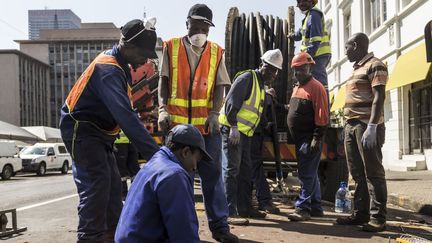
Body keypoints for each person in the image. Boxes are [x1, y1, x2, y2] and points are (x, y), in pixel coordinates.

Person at [59, 19, 160, 242]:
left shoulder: (120, 66)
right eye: (143, 54)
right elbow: (125, 116)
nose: (145, 60)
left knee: (114, 187)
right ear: (128, 46)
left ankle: (113, 235)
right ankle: (89, 238)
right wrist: (157, 155)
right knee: (97, 187)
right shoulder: (108, 69)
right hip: (82, 131)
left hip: (99, 134)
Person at [157, 4, 238, 242]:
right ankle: (178, 230)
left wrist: (215, 112)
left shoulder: (216, 52)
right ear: (187, 24)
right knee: (179, 180)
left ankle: (220, 228)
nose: (200, 32)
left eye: (205, 28)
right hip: (178, 130)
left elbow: (221, 85)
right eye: (196, 27)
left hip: (206, 129)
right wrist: (162, 109)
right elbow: (164, 80)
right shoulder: (170, 47)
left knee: (212, 177)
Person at [115, 124, 211, 243]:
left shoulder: (155, 163)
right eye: (197, 160)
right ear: (186, 152)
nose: (195, 167)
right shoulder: (174, 175)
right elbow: (184, 233)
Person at [219, 49, 283, 224]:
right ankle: (229, 211)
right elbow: (231, 102)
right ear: (261, 64)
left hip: (246, 134)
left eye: (275, 70)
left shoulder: (261, 87)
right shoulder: (247, 78)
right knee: (232, 171)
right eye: (269, 68)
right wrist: (233, 126)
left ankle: (245, 208)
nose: (272, 73)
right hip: (233, 131)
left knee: (246, 171)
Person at [336, 33, 388, 232]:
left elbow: (379, 97)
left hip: (366, 126)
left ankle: (378, 218)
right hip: (352, 125)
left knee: (373, 172)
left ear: (356, 45)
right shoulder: (356, 68)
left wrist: (373, 126)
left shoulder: (375, 65)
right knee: (356, 173)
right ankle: (360, 213)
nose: (346, 52)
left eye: (347, 48)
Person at [286, 52, 329, 221]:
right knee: (311, 174)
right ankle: (316, 207)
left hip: (309, 138)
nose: (298, 73)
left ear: (309, 67)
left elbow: (322, 115)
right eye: (295, 70)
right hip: (300, 139)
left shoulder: (316, 87)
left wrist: (316, 138)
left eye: (301, 69)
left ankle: (303, 208)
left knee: (306, 174)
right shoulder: (298, 87)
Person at [289, 0, 331, 90]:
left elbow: (315, 40)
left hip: (318, 55)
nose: (300, 4)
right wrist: (292, 36)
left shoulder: (314, 15)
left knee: (320, 83)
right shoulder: (308, 17)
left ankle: (324, 103)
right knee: (313, 83)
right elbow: (300, 33)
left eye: (302, 1)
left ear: (311, 2)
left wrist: (306, 58)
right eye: (298, 2)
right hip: (314, 55)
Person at [251, 92, 281, 214]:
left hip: (251, 132)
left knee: (251, 167)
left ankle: (254, 201)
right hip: (250, 133)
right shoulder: (261, 94)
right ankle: (263, 201)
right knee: (253, 167)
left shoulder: (260, 93)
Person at [113, 133, 140, 200]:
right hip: (119, 142)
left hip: (132, 141)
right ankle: (123, 193)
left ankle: (136, 192)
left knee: (135, 169)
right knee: (121, 170)